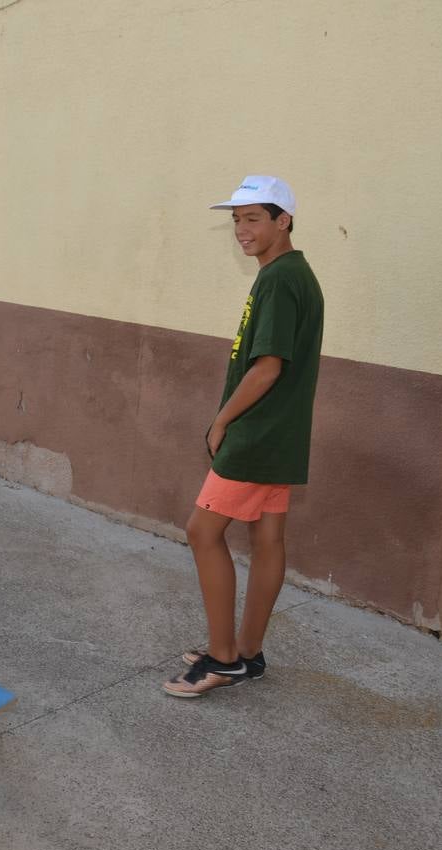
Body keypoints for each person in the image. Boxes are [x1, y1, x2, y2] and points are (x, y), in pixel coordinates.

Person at [164, 175, 324, 698]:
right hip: (281, 434)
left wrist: (221, 420)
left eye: (253, 217)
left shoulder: (280, 278)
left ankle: (223, 658)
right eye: (236, 218)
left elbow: (268, 367)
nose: (241, 229)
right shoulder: (294, 274)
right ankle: (249, 653)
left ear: (285, 221)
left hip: (257, 433)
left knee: (202, 531)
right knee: (268, 539)